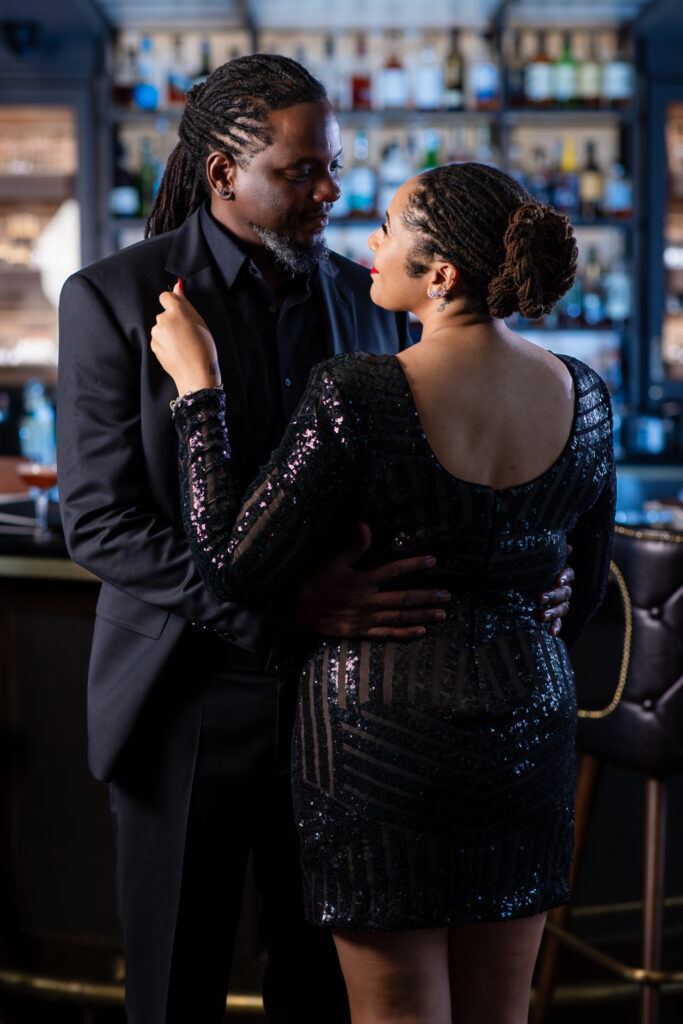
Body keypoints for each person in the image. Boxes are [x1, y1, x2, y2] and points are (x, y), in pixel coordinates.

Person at [57, 55, 572, 1024]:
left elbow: (433, 476)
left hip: (355, 711)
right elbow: (101, 521)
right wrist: (282, 605)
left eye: (331, 166)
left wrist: (528, 568)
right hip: (185, 701)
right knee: (173, 986)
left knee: (325, 992)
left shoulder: (369, 295)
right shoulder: (114, 299)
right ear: (222, 175)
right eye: (301, 172)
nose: (329, 190)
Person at [151, 161, 615, 1024]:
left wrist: (197, 389)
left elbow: (231, 559)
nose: (370, 239)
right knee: (500, 1013)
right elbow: (579, 593)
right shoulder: (584, 396)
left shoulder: (357, 393)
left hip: (376, 735)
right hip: (529, 725)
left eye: (391, 227)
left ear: (438, 276)